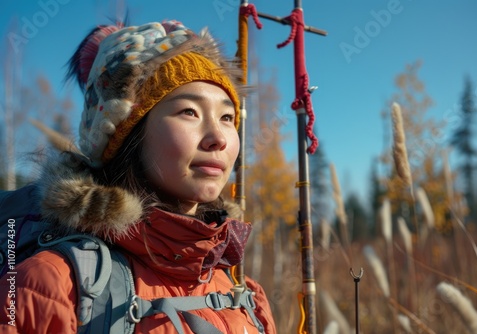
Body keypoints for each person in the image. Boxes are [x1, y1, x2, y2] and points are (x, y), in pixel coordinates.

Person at [0, 18, 276, 333]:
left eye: (227, 116)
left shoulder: (245, 295)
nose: (219, 137)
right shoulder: (52, 284)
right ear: (126, 135)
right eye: (189, 112)